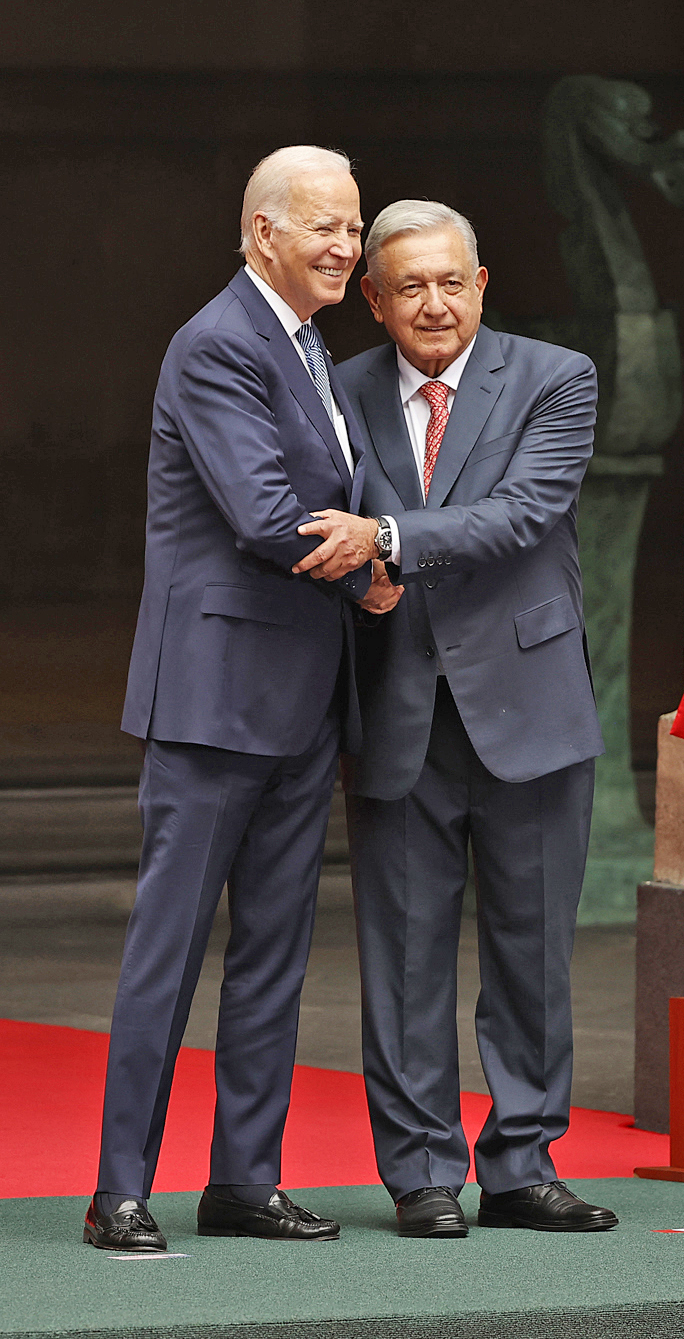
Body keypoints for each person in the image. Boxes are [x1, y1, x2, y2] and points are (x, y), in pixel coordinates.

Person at [85, 145, 398, 1253]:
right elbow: (267, 513)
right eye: (325, 226)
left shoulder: (312, 348)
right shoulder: (216, 344)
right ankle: (118, 1190)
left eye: (354, 228)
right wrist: (374, 568)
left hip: (306, 704)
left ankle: (243, 1183)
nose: (345, 246)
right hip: (214, 703)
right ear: (261, 231)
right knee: (167, 951)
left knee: (275, 954)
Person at [292, 199, 619, 1238]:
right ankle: (422, 1175)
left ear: (481, 285)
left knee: (531, 954)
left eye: (450, 282)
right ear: (375, 301)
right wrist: (359, 584)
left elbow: (524, 514)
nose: (432, 303)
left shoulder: (556, 378)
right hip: (397, 710)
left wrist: (385, 538)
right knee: (403, 958)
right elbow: (310, 533)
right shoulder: (333, 393)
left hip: (527, 710)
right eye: (408, 288)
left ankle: (522, 1166)